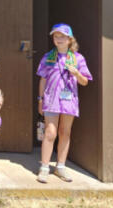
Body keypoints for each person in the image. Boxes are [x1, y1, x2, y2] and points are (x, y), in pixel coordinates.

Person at [36, 23, 92, 183]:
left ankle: (60, 167)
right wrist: (40, 99)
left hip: (69, 101)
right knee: (50, 133)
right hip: (51, 99)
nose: (58, 39)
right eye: (56, 36)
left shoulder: (78, 58)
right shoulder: (48, 57)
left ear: (69, 39)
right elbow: (42, 80)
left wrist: (76, 73)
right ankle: (44, 168)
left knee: (64, 132)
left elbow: (85, 82)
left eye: (62, 36)